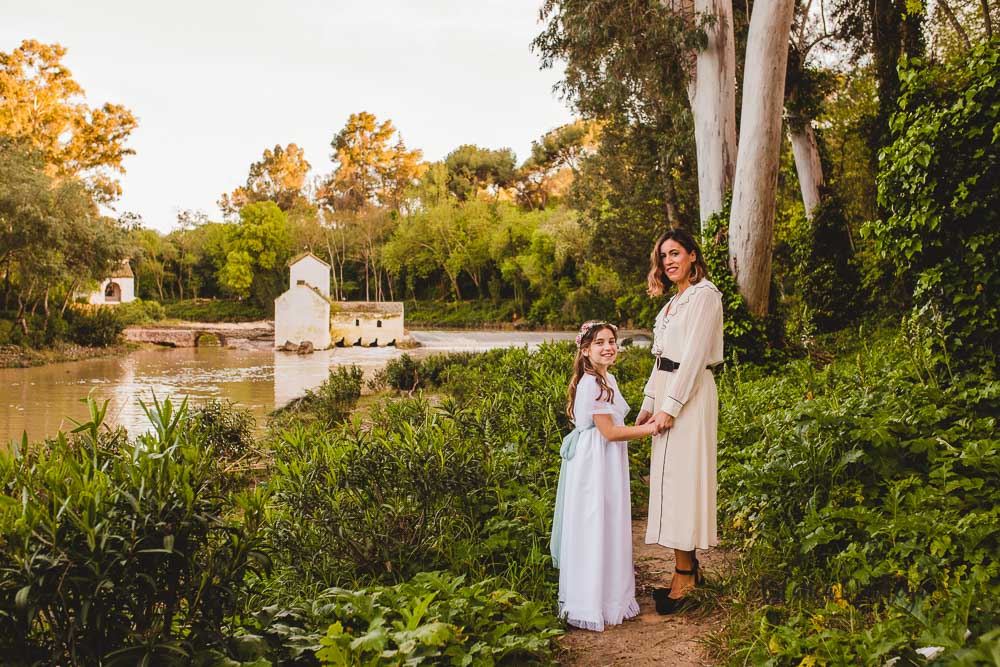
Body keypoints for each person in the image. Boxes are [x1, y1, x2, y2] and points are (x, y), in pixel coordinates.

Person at [635, 228, 724, 614]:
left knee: (683, 483)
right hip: (669, 392)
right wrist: (649, 402)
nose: (668, 261)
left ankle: (686, 576)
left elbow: (693, 358)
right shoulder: (672, 304)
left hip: (691, 395)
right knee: (670, 484)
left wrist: (670, 406)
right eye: (663, 256)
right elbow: (662, 359)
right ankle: (685, 570)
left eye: (675, 253)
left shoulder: (705, 296)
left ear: (692, 255)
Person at [551, 320, 660, 631]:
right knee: (595, 521)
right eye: (599, 342)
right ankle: (592, 600)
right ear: (586, 350)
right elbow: (610, 432)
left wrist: (641, 421)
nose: (608, 347)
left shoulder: (606, 378)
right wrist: (651, 429)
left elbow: (614, 424)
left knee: (607, 521)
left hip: (604, 458)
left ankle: (609, 595)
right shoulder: (593, 383)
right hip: (594, 463)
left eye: (612, 341)